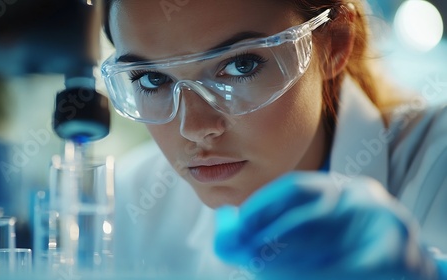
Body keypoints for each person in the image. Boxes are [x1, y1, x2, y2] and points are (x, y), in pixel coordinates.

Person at [101, 0, 447, 279]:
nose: (193, 126)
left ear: (335, 43)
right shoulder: (131, 199)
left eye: (240, 66)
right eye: (150, 79)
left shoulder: (437, 161)